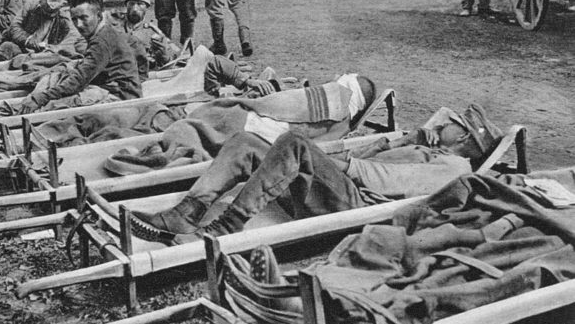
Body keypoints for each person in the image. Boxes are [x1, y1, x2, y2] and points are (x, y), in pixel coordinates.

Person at [135, 103, 502, 246]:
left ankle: (226, 228)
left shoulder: (455, 168)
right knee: (246, 141)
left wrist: (327, 162)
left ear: (465, 137)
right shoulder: (429, 147)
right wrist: (408, 139)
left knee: (293, 144)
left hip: (356, 207)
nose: (441, 121)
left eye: (450, 123)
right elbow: (362, 158)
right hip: (338, 189)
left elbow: (386, 182)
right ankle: (186, 213)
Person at [15, 0, 141, 114]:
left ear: (98, 16)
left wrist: (40, 99)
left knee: (52, 108)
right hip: (109, 87)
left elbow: (79, 80)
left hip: (121, 96)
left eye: (84, 18)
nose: (79, 24)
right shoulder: (103, 32)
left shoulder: (102, 40)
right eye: (74, 19)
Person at [109, 0, 179, 75]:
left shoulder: (153, 32)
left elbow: (174, 56)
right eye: (131, 3)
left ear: (147, 7)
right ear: (126, 5)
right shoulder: (114, 26)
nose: (135, 9)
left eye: (139, 4)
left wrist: (164, 55)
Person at [2, 0, 79, 54]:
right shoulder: (31, 6)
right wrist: (27, 41)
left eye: (52, 12)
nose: (49, 15)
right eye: (47, 11)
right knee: (7, 46)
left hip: (45, 52)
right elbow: (14, 26)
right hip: (22, 46)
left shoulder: (63, 18)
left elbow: (72, 37)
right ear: (41, 5)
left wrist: (52, 48)